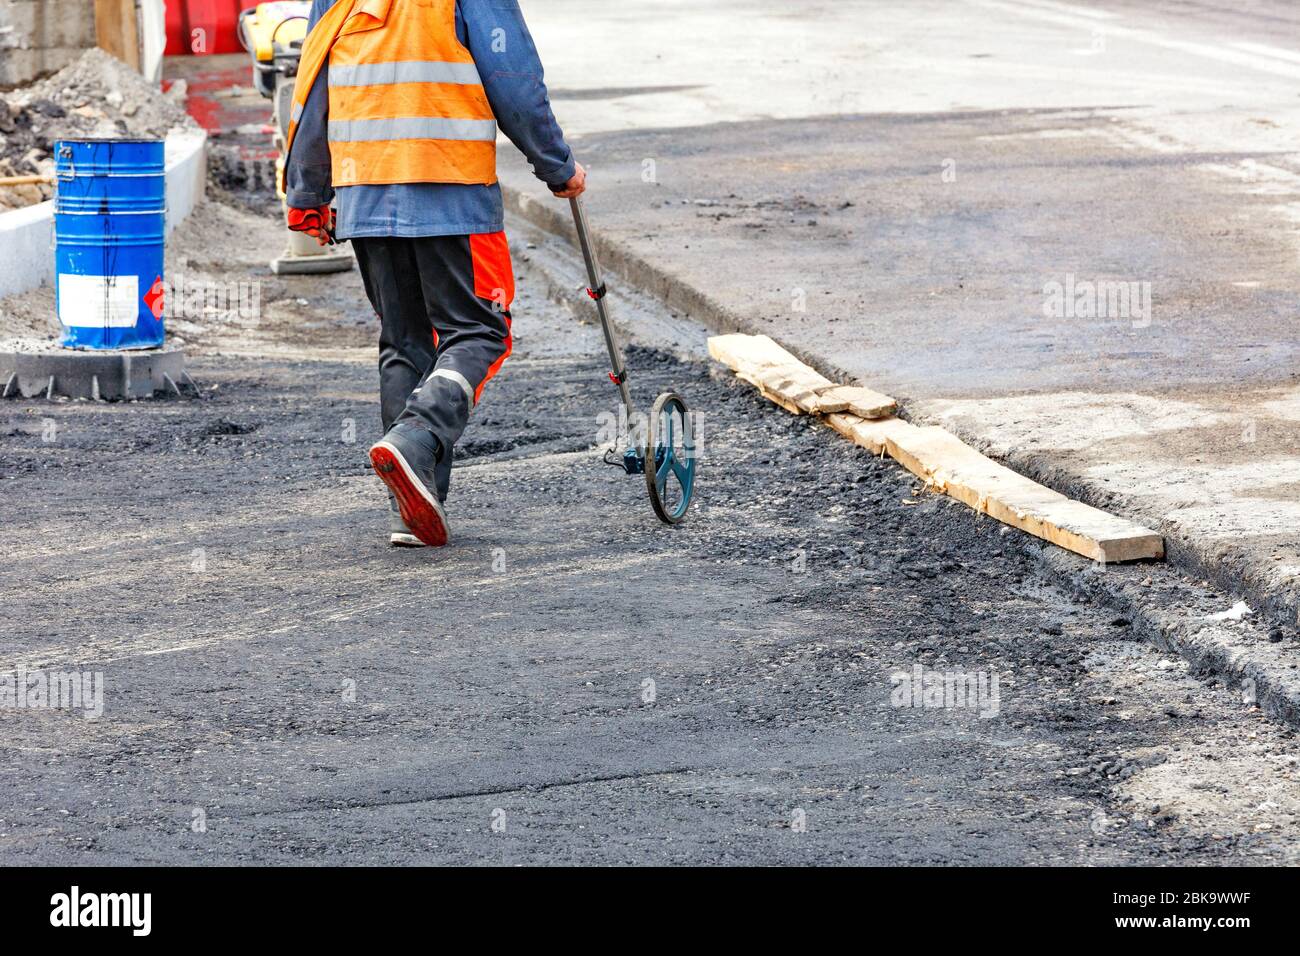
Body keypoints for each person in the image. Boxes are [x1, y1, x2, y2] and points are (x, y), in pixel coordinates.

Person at [282, 0, 586, 548]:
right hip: (448, 186)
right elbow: (513, 78)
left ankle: (413, 508)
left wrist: (308, 188)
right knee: (480, 331)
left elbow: (314, 79)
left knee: (405, 342)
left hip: (364, 190)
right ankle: (418, 435)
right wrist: (556, 163)